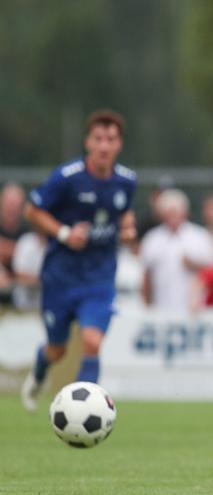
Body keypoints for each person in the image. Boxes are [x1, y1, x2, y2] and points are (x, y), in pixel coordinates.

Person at [20, 110, 137, 411]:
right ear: (88, 142)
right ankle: (40, 369)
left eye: (110, 139)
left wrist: (127, 229)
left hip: (98, 278)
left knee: (92, 342)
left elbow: (124, 213)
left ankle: (85, 412)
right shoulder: (67, 177)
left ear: (119, 145)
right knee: (57, 349)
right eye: (98, 138)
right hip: (61, 277)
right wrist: (63, 233)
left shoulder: (126, 180)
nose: (104, 146)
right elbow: (32, 210)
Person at [140, 188, 213, 312]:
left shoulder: (200, 237)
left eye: (176, 212)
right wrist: (146, 306)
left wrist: (194, 264)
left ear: (184, 212)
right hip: (161, 309)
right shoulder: (152, 239)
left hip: (195, 311)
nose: (173, 217)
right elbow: (146, 277)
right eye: (169, 212)